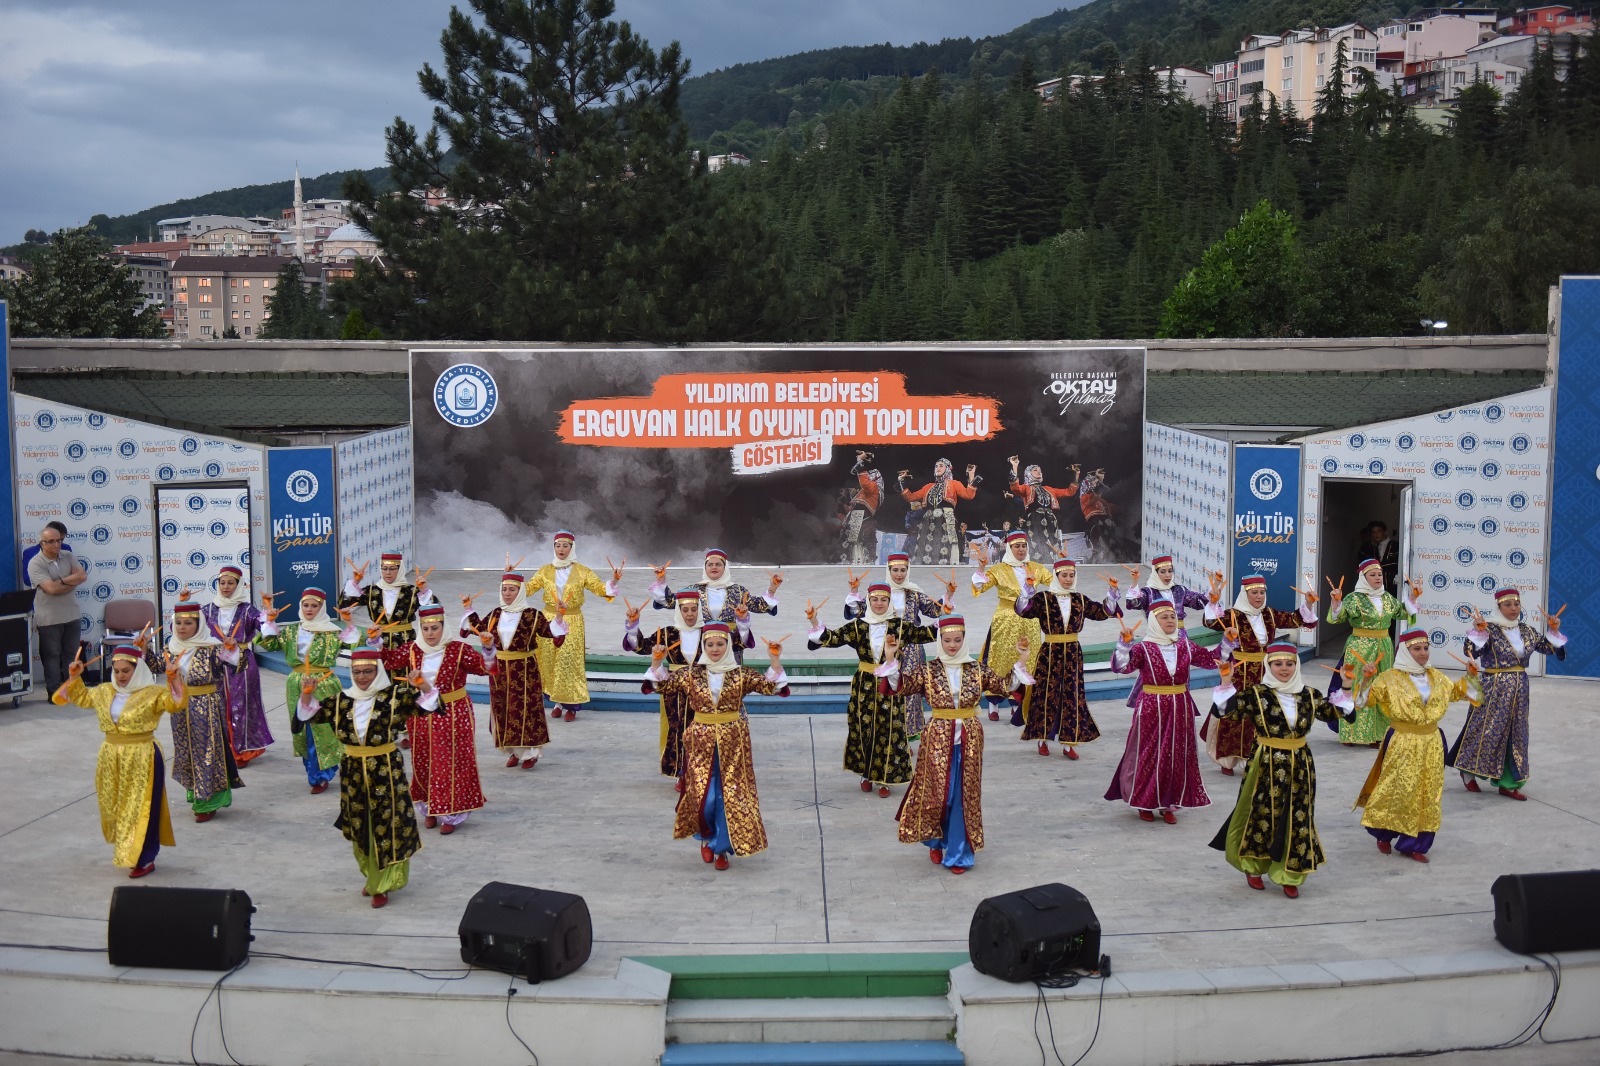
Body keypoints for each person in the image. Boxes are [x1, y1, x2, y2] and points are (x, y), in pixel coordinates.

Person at [876, 617, 1032, 874]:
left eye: (957, 640)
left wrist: (1022, 660)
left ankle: (959, 854)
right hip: (937, 737)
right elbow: (900, 685)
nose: (952, 645)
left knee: (963, 797)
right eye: (947, 640)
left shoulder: (976, 669)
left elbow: (1004, 687)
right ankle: (935, 839)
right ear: (940, 641)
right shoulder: (928, 670)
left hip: (970, 739)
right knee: (939, 793)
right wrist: (891, 659)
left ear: (964, 640)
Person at [1207, 643, 1358, 898]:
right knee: (1261, 812)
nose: (1284, 669)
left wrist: (1345, 685)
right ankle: (1254, 867)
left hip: (1300, 763)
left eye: (1289, 663)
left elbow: (1339, 713)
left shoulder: (1309, 694)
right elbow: (1226, 711)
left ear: (1296, 666)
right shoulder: (1257, 694)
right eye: (1278, 664)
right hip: (1266, 762)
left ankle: (1290, 872)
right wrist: (1225, 682)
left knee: (1298, 816)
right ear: (1269, 666)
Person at [296, 648, 440, 907]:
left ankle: (381, 884)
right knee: (361, 823)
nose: (362, 677)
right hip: (352, 770)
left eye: (367, 671)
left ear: (378, 671)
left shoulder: (394, 697)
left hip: (385, 768)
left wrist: (422, 684)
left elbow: (430, 705)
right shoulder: (341, 700)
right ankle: (371, 876)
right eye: (356, 672)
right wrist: (307, 695)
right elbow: (306, 716)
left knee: (386, 824)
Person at [643, 622, 790, 871]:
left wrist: (775, 661)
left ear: (728, 645)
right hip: (700, 738)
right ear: (703, 646)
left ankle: (721, 848)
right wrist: (657, 663)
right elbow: (663, 686)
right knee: (705, 794)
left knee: (730, 793)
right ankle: (706, 836)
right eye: (710, 644)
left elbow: (770, 687)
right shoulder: (691, 674)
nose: (714, 649)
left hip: (734, 740)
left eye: (720, 644)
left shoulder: (740, 674)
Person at [52, 643, 187, 877]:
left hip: (142, 754)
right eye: (117, 671)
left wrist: (174, 679)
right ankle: (128, 849)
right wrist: (74, 677)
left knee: (140, 807)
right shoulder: (105, 691)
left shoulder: (152, 693)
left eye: (126, 671)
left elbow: (175, 703)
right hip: (110, 755)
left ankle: (144, 857)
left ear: (138, 670)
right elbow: (81, 698)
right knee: (115, 806)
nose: (121, 676)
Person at [1351, 628, 1481, 863]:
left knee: (1428, 793)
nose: (1422, 653)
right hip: (1403, 739)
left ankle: (1415, 844)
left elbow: (1461, 693)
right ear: (1405, 651)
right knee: (1397, 789)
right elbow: (1362, 703)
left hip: (1432, 741)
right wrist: (1367, 679)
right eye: (1416, 649)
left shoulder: (1437, 677)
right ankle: (1384, 833)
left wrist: (1470, 676)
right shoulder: (1388, 678)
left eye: (1425, 648)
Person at [1105, 597, 1232, 824]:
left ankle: (1168, 803)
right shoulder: (1144, 648)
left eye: (1173, 616)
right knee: (1149, 754)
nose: (1170, 620)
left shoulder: (1185, 645)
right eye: (1164, 617)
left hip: (1180, 705)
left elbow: (1212, 660)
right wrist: (1124, 645)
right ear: (1154, 621)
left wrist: (1227, 642)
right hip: (1152, 706)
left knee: (1176, 754)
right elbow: (1122, 667)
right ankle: (1144, 801)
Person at [807, 583, 938, 797]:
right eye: (875, 599)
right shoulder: (858, 626)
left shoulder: (900, 626)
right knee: (864, 727)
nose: (879, 603)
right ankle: (866, 773)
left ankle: (885, 778)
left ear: (889, 603)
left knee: (889, 729)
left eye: (883, 600)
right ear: (868, 601)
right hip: (865, 686)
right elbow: (832, 638)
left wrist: (945, 616)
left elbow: (924, 634)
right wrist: (813, 619)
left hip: (890, 684)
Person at [379, 604, 489, 834]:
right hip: (421, 715)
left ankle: (450, 812)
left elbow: (484, 668)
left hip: (453, 711)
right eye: (426, 628)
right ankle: (430, 807)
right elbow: (389, 662)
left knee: (449, 762)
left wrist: (488, 649)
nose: (430, 633)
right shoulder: (412, 649)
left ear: (443, 626)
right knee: (423, 759)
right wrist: (376, 641)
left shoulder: (458, 650)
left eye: (435, 628)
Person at [1447, 591, 1567, 800]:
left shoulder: (1527, 631)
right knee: (1486, 730)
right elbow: (1471, 651)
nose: (1513, 608)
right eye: (1508, 605)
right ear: (1498, 607)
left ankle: (1508, 782)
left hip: (1520, 687)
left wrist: (1553, 630)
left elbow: (1548, 649)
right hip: (1494, 687)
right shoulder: (1489, 628)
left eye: (1517, 604)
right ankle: (1468, 770)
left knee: (1516, 732)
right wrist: (1477, 631)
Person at [1200, 574, 1319, 775]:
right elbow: (1211, 622)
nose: (1259, 596)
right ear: (1245, 594)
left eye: (1262, 592)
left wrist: (1308, 602)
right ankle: (1227, 759)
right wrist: (1213, 601)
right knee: (1234, 714)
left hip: (1265, 672)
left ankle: (1254, 758)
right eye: (1254, 593)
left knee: (1261, 714)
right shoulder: (1233, 615)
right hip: (1239, 672)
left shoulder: (1269, 614)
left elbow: (1294, 620)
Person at [1014, 557, 1117, 758]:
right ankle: (1042, 738)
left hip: (1072, 653)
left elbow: (1103, 612)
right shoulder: (1044, 598)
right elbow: (1023, 610)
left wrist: (1112, 593)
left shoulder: (1080, 599)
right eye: (1064, 575)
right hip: (1049, 652)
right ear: (1056, 576)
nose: (1068, 579)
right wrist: (1027, 589)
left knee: (1072, 695)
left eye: (1071, 575)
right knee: (1045, 694)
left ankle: (1069, 743)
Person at [256, 588, 357, 793]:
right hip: (297, 684)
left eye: (314, 605)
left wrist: (348, 623)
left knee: (323, 730)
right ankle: (313, 771)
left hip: (323, 683)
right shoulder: (292, 630)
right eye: (306, 605)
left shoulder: (331, 632)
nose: (309, 609)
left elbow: (354, 645)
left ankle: (322, 774)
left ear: (322, 608)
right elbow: (269, 643)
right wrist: (269, 619)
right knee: (303, 729)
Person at [462, 571, 565, 769]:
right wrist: (469, 608)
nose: (508, 593)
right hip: (499, 669)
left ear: (521, 591)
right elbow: (479, 628)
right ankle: (512, 751)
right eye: (505, 589)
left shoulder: (532, 615)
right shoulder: (496, 614)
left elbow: (551, 634)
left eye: (512, 589)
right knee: (503, 709)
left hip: (524, 668)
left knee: (525, 709)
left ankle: (529, 753)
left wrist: (559, 615)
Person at [624, 590, 726, 785]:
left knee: (703, 729)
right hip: (675, 691)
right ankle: (682, 772)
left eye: (693, 610)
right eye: (685, 610)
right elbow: (642, 647)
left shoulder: (709, 632)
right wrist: (633, 625)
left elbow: (733, 644)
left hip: (703, 688)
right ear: (679, 611)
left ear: (699, 610)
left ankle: (703, 772)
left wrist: (743, 620)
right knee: (678, 728)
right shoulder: (668, 633)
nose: (689, 614)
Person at [846, 553, 952, 738]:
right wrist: (854, 592)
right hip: (885, 648)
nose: (899, 574)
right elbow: (856, 611)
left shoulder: (914, 592)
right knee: (886, 688)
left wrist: (949, 594)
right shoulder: (881, 594)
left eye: (903, 570)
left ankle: (906, 734)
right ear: (888, 570)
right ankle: (887, 733)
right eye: (895, 570)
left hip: (911, 648)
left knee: (909, 690)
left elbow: (937, 611)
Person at [526, 531, 619, 721]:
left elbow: (600, 588)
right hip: (549, 620)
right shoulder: (545, 570)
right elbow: (528, 589)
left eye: (565, 545)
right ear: (554, 547)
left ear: (572, 548)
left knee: (568, 661)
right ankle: (557, 702)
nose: (561, 549)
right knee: (550, 660)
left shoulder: (582, 571)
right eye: (558, 545)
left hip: (572, 620)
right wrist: (510, 576)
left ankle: (572, 706)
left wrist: (614, 580)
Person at [165, 600, 243, 823]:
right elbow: (154, 667)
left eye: (188, 623)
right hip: (180, 707)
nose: (181, 627)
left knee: (208, 752)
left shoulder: (211, 648)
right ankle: (195, 792)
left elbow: (238, 665)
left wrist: (232, 649)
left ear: (198, 624)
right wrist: (141, 650)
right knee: (186, 750)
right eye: (178, 622)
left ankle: (208, 800)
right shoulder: (171, 649)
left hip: (206, 705)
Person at [1326, 560, 1418, 746]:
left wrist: (1413, 598)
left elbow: (1401, 613)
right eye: (1372, 575)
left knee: (1381, 687)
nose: (1377, 578)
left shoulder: (1387, 598)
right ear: (1363, 577)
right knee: (1354, 685)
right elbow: (1338, 617)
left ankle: (1378, 734)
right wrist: (1336, 602)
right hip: (1359, 647)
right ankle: (1351, 732)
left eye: (1379, 574)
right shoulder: (1354, 598)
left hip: (1383, 648)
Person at [970, 531, 1051, 723]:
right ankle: (993, 703)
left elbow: (1057, 582)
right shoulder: (999, 569)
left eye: (1023, 546)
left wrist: (1063, 565)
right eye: (1017, 546)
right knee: (1000, 660)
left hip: (1030, 621)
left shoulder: (1036, 568)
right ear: (1009, 548)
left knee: (1027, 661)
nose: (1021, 549)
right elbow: (980, 587)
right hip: (1005, 621)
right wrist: (981, 567)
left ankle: (1019, 703)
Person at [652, 548, 778, 663]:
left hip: (731, 643)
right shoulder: (694, 590)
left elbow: (760, 605)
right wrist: (661, 580)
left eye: (718, 564)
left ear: (725, 568)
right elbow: (670, 601)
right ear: (705, 568)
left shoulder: (738, 591)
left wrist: (772, 587)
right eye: (710, 564)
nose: (714, 567)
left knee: (730, 682)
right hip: (703, 643)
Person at [201, 564, 274, 764]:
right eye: (222, 583)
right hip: (215, 662)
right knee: (217, 704)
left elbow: (266, 630)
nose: (226, 587)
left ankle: (242, 751)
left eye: (230, 583)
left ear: (239, 584)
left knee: (242, 705)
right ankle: (220, 750)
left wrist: (268, 611)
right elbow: (185, 626)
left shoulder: (247, 609)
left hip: (242, 662)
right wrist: (183, 604)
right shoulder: (207, 609)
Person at [28, 523, 86, 698]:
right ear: (42, 544)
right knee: (52, 657)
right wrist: (70, 581)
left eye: (59, 540)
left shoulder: (68, 555)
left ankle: (73, 690)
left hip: (72, 615)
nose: (56, 544)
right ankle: (54, 691)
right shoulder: (35, 563)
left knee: (72, 655)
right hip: (49, 618)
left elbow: (82, 576)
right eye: (51, 541)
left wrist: (60, 582)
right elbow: (50, 589)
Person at [340, 552, 436, 650]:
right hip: (377, 640)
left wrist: (424, 590)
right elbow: (345, 604)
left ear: (400, 570)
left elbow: (434, 611)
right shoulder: (372, 591)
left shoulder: (411, 591)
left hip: (405, 642)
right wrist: (355, 582)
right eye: (384, 568)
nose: (388, 573)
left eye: (392, 569)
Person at [899, 459, 979, 566]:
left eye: (941, 466)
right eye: (936, 466)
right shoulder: (928, 486)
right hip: (928, 521)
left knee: (946, 546)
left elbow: (969, 495)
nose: (938, 468)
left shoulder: (954, 484)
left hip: (946, 519)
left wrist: (971, 474)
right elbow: (910, 497)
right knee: (925, 546)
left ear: (948, 468)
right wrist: (901, 481)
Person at [1007, 457, 1079, 560]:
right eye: (1035, 470)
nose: (1039, 472)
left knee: (1054, 541)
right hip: (1035, 518)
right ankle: (1040, 562)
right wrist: (1015, 466)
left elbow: (1069, 492)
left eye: (1040, 470)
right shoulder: (1027, 488)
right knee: (1038, 540)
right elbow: (1015, 487)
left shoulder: (1049, 489)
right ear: (1028, 473)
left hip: (1050, 518)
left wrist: (1076, 475)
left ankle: (1054, 562)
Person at [839, 452, 884, 565]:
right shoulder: (865, 492)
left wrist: (860, 463)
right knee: (851, 540)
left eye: (868, 474)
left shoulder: (873, 487)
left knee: (854, 539)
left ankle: (851, 560)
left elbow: (865, 483)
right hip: (858, 516)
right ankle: (850, 560)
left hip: (861, 517)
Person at [21, 520, 72, 588]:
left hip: (64, 594)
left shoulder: (66, 548)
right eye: (52, 540)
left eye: (60, 540)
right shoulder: (30, 552)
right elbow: (27, 579)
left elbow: (74, 573)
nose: (57, 544)